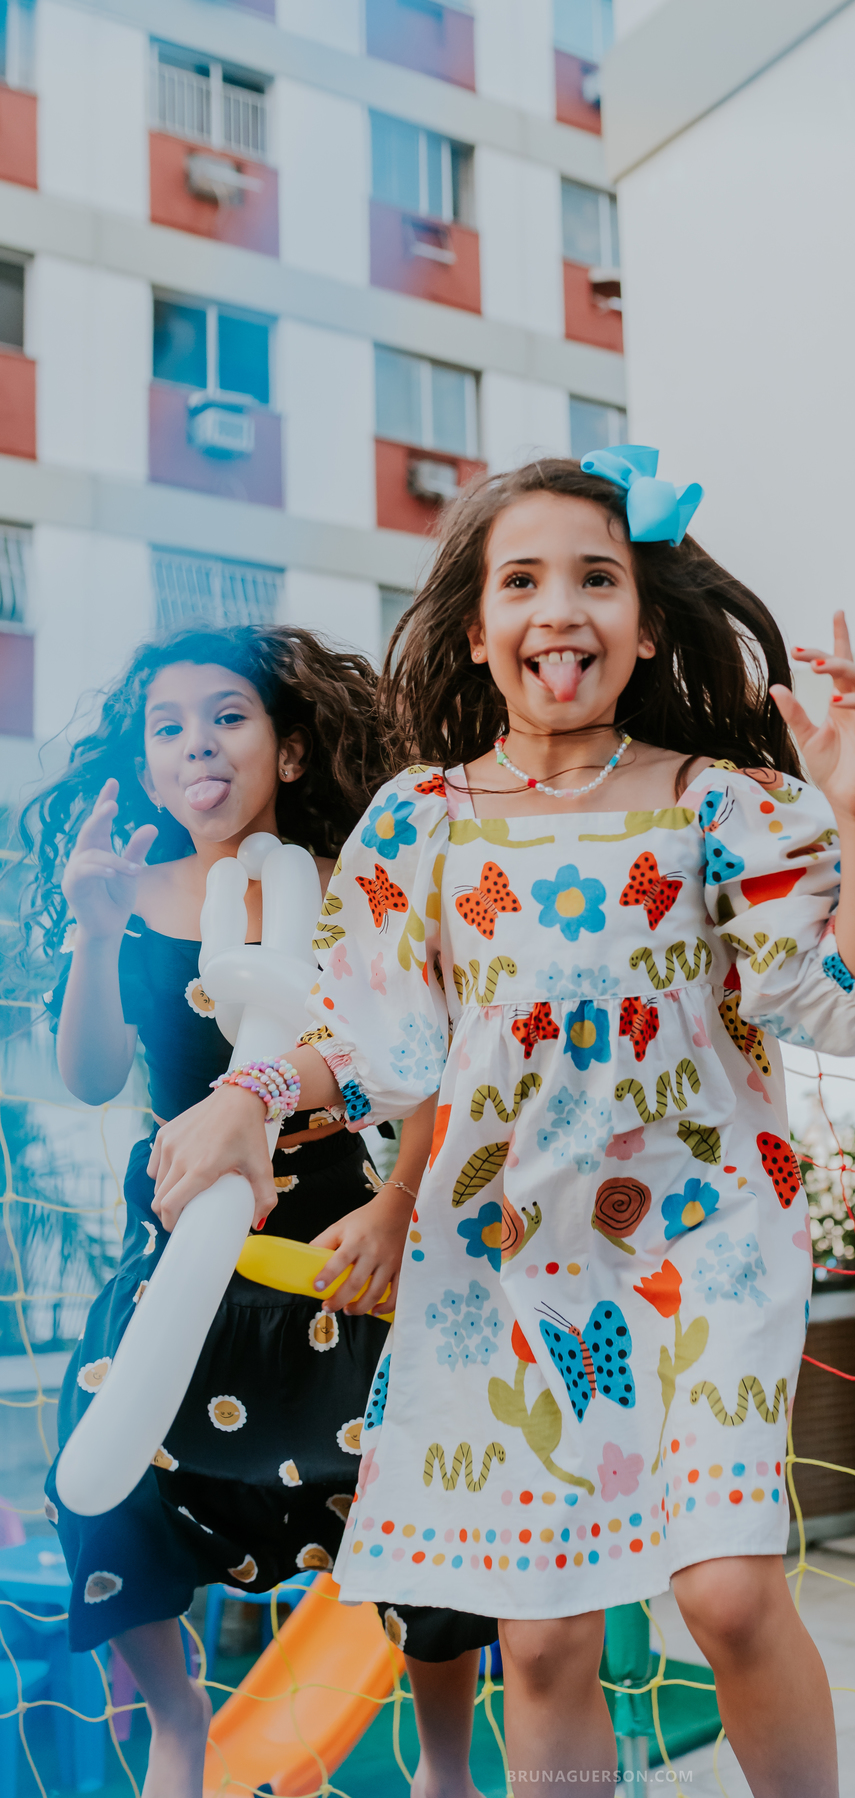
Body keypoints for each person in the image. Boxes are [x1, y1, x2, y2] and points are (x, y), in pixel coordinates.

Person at [149, 453, 855, 1797]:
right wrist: (247, 1094)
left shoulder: (719, 803)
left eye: (597, 578)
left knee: (730, 1593)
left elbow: (846, 1009)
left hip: (704, 1247)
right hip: (498, 1266)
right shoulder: (422, 823)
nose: (560, 607)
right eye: (524, 579)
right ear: (476, 627)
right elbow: (380, 1043)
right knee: (548, 1638)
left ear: (644, 621)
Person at [19, 626, 495, 1798]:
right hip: (181, 1240)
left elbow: (428, 1059)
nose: (198, 741)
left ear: (287, 751)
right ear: (147, 764)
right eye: (168, 724)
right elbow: (91, 1076)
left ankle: (445, 1764)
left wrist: (393, 1206)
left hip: (344, 1232)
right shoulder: (133, 899)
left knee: (416, 1488)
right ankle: (180, 1723)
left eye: (227, 714)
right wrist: (92, 930)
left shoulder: (352, 890)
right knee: (106, 1472)